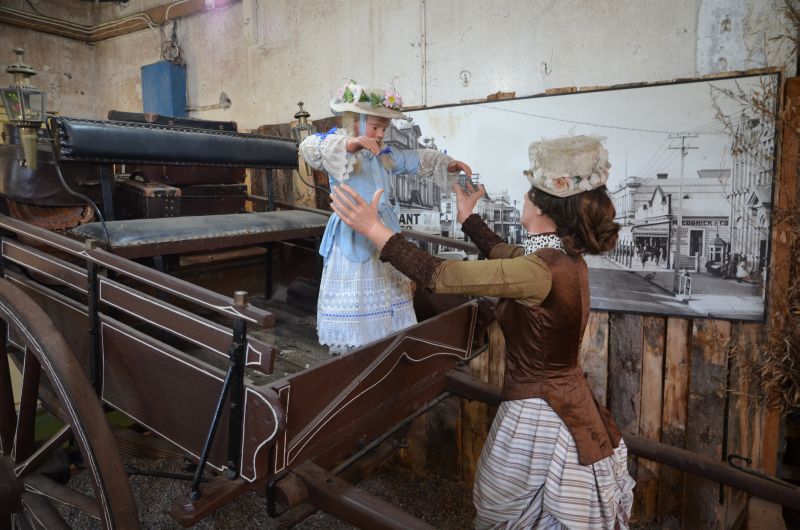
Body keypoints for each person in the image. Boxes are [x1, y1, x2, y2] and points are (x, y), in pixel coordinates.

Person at [331, 134, 635, 528]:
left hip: (540, 410)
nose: (523, 197)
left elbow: (440, 276)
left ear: (542, 208)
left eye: (529, 193)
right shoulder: (559, 258)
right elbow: (500, 253)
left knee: (502, 504)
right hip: (562, 399)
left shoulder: (539, 269)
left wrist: (375, 229)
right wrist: (468, 218)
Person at [298, 80, 472, 354]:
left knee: (388, 285)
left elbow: (415, 158)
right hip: (354, 231)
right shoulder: (338, 149)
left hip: (384, 231)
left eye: (384, 128)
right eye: (375, 127)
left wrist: (447, 164)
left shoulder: (383, 155)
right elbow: (310, 147)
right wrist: (351, 144)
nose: (380, 134)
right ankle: (357, 349)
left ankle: (385, 343)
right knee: (358, 293)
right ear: (356, 121)